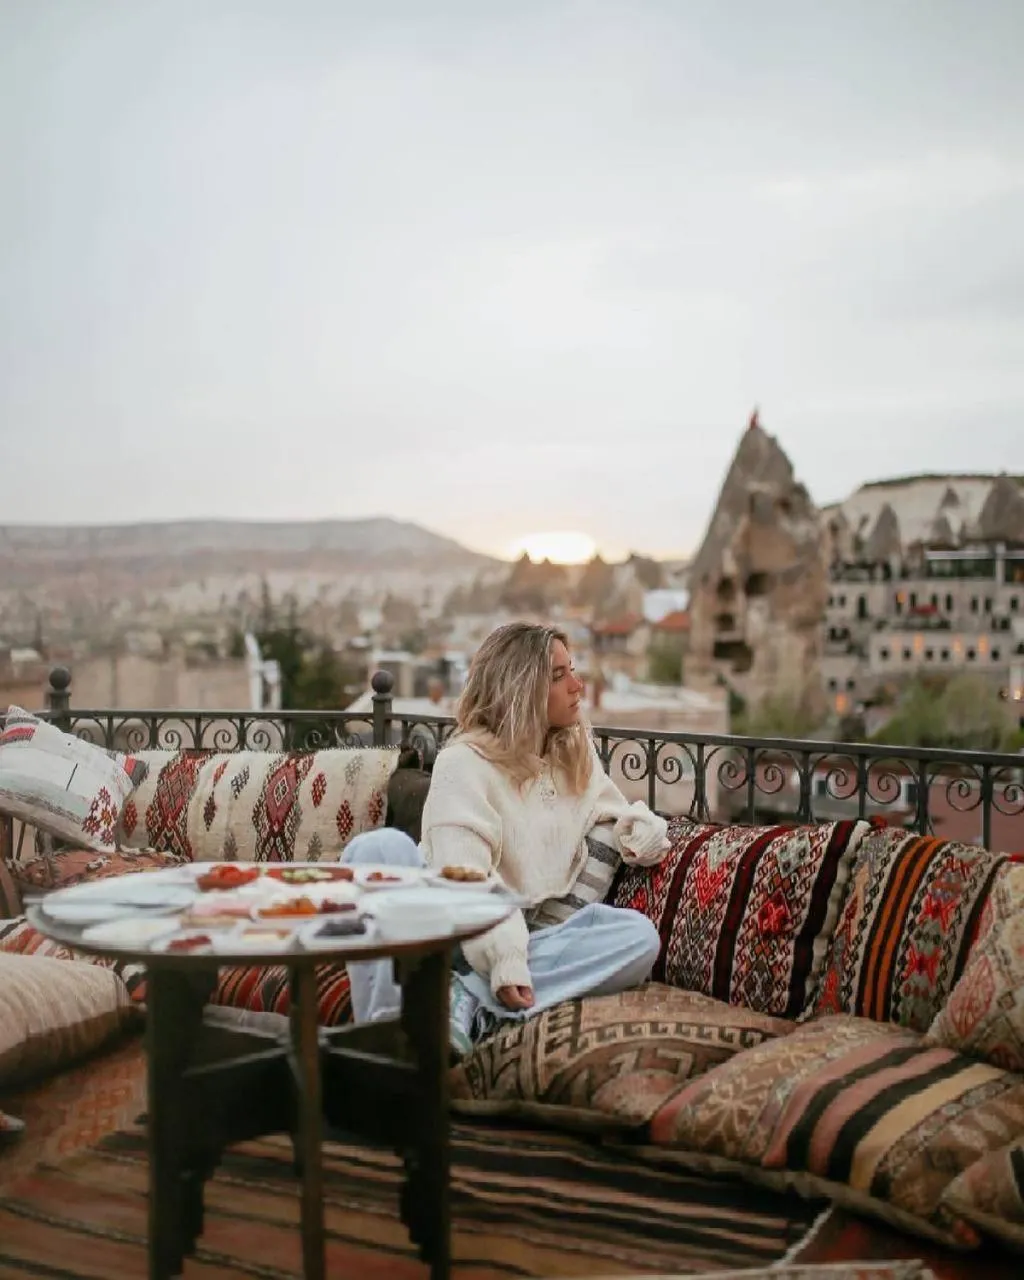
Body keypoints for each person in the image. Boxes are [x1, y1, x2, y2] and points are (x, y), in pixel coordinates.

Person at [342, 622, 669, 1053]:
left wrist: (642, 831)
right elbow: (464, 881)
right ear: (521, 688)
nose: (577, 685)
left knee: (637, 937)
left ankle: (464, 1002)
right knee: (376, 850)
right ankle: (386, 1029)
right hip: (450, 929)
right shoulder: (465, 763)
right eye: (558, 676)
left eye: (573, 669)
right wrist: (505, 961)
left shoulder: (574, 756)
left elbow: (614, 812)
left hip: (530, 940)